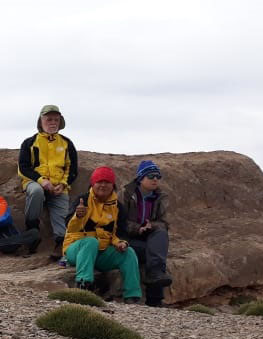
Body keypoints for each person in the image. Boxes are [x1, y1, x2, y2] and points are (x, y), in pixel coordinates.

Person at [63, 166, 143, 303]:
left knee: (129, 253)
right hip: (77, 249)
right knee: (90, 241)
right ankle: (83, 286)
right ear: (93, 184)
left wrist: (121, 242)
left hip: (102, 252)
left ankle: (132, 297)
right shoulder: (82, 200)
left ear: (113, 185)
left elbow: (121, 232)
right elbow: (69, 227)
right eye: (99, 182)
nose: (103, 185)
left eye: (107, 182)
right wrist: (78, 216)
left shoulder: (118, 207)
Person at [18, 104, 79, 260]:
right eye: (49, 119)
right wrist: (42, 181)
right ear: (41, 121)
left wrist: (63, 184)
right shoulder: (29, 143)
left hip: (59, 186)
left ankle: (60, 243)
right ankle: (32, 232)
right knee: (36, 192)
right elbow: (24, 167)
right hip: (35, 183)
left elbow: (72, 168)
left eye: (56, 120)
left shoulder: (66, 143)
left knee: (62, 212)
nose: (52, 122)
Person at [120, 159, 171, 306]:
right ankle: (155, 300)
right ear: (141, 178)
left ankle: (155, 294)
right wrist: (138, 228)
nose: (155, 179)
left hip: (149, 236)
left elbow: (164, 222)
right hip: (128, 237)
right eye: (151, 176)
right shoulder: (126, 194)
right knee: (154, 254)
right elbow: (120, 221)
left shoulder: (160, 196)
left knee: (161, 234)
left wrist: (151, 226)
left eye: (158, 176)